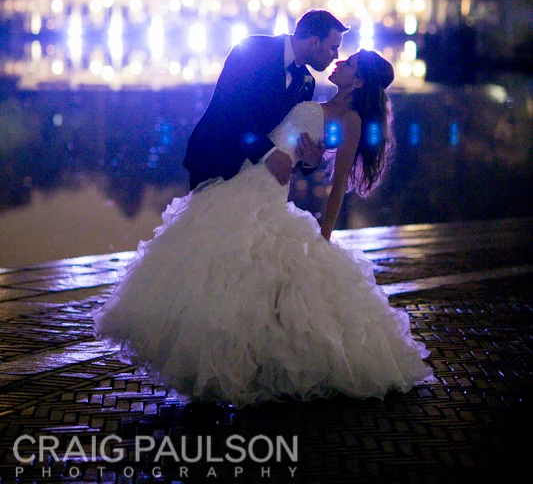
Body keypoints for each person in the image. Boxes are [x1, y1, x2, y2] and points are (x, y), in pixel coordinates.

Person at [94, 48, 432, 408]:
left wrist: (325, 235)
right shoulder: (311, 93)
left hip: (267, 191)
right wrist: (306, 158)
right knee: (217, 259)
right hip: (245, 175)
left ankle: (248, 366)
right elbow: (282, 139)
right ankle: (231, 363)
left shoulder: (350, 119)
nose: (337, 61)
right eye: (337, 53)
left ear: (359, 80)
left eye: (347, 63)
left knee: (246, 266)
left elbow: (337, 185)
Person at [183, 9, 349, 190]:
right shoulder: (253, 49)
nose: (337, 56)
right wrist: (268, 153)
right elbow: (230, 107)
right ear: (314, 42)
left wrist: (309, 160)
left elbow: (286, 136)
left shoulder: (307, 82)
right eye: (334, 48)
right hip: (214, 158)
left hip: (256, 179)